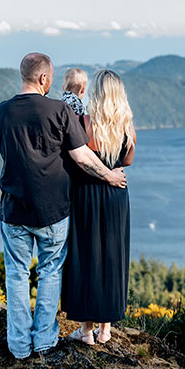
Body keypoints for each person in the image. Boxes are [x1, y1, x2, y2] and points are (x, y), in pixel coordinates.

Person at [0, 53, 127, 360]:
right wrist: (109, 176)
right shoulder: (60, 110)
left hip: (13, 208)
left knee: (16, 275)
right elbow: (82, 157)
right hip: (53, 210)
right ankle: (44, 342)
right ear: (43, 79)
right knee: (50, 273)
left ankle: (18, 346)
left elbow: (4, 150)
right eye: (50, 77)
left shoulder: (1, 112)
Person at [62, 69, 136, 345]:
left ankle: (86, 330)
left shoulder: (84, 122)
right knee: (112, 256)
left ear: (96, 94)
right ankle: (106, 329)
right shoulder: (127, 126)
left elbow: (77, 159)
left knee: (86, 254)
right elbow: (127, 160)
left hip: (86, 193)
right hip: (116, 194)